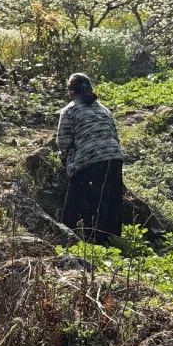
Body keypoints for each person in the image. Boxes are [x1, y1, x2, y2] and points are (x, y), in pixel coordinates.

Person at [57, 72, 124, 242]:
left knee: (77, 201)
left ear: (71, 92)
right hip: (114, 158)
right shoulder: (104, 109)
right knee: (111, 201)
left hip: (88, 162)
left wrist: (66, 163)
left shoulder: (69, 110)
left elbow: (63, 142)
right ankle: (111, 242)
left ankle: (68, 238)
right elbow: (114, 135)